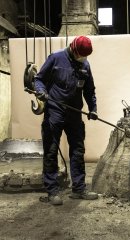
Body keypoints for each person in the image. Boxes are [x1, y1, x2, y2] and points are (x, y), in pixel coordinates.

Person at [34, 36, 98, 205]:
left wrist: (93, 109)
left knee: (78, 150)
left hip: (74, 113)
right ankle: (52, 191)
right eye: (81, 55)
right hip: (54, 111)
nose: (83, 59)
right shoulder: (55, 58)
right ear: (73, 49)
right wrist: (40, 91)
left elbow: (89, 90)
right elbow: (38, 79)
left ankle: (79, 188)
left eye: (85, 56)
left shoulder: (85, 64)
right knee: (51, 150)